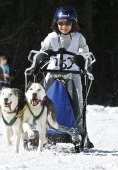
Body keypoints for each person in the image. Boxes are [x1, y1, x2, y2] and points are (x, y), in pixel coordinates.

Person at [40, 6, 94, 148]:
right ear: (56, 23)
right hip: (53, 73)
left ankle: (79, 130)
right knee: (45, 100)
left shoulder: (78, 38)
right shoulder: (51, 37)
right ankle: (43, 127)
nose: (64, 26)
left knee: (78, 101)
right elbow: (42, 51)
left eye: (68, 23)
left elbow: (85, 52)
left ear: (73, 23)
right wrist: (42, 56)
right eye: (61, 23)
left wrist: (82, 58)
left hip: (73, 74)